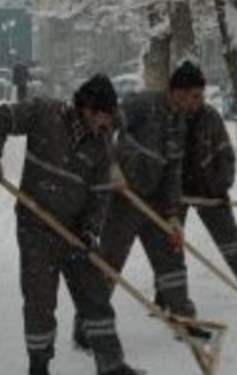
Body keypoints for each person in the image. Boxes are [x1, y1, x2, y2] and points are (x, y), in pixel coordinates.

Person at [0, 74, 145, 375]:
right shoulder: (45, 114)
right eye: (104, 117)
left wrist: (89, 231)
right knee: (40, 298)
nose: (107, 126)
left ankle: (111, 366)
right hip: (36, 226)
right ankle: (39, 370)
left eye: (111, 120)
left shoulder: (100, 144)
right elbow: (1, 116)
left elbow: (99, 194)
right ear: (86, 108)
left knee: (95, 295)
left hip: (74, 230)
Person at [75, 61, 209, 348]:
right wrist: (110, 167)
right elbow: (104, 128)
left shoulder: (179, 122)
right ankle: (87, 326)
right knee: (109, 263)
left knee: (171, 259)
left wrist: (172, 214)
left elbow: (173, 168)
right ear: (177, 92)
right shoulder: (142, 105)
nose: (199, 103)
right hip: (124, 199)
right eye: (195, 96)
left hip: (156, 202)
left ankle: (183, 318)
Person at [181, 100, 237, 299]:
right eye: (190, 95)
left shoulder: (210, 117)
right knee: (170, 242)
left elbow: (226, 154)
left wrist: (220, 188)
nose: (194, 100)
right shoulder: (170, 117)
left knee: (230, 239)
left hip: (210, 189)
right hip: (176, 191)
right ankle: (166, 295)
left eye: (198, 94)